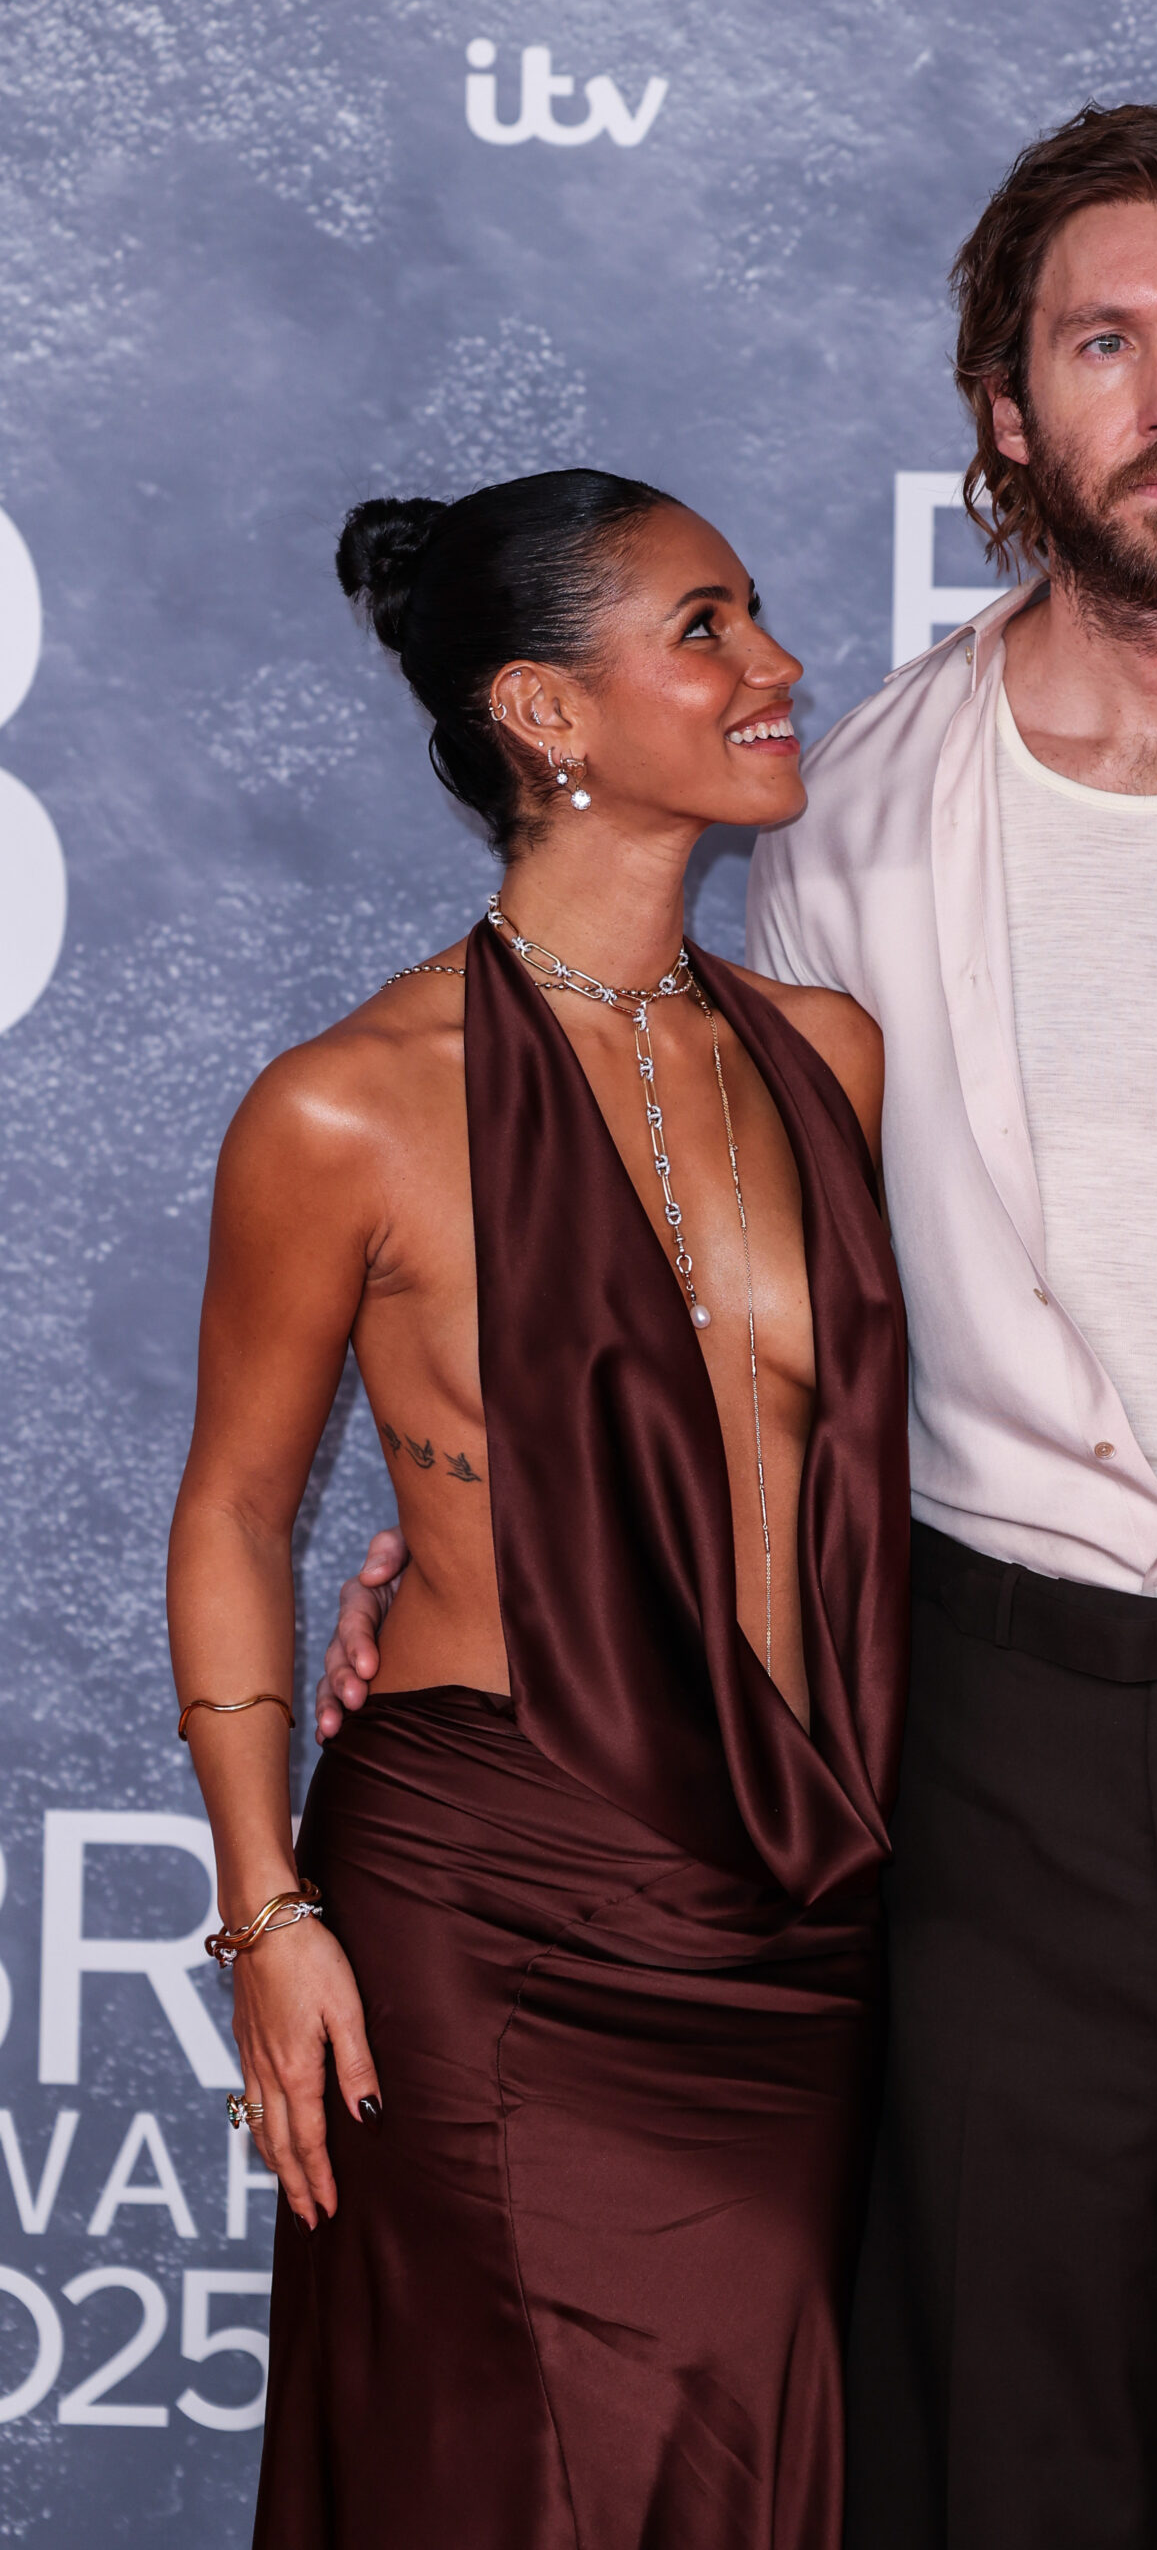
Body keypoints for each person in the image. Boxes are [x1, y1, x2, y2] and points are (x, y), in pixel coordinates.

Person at [323, 105, 1157, 2550]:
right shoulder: (848, 818)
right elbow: (726, 1313)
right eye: (1100, 343)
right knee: (990, 2494)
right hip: (974, 1774)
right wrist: (480, 1556)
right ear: (1003, 405)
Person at [167, 468, 910, 2549]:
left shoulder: (829, 1057)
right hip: (490, 1899)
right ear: (544, 712)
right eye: (705, 629)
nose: (774, 668)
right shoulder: (348, 1104)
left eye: (755, 617)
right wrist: (268, 1911)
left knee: (735, 2468)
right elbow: (231, 1512)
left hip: (784, 1914)